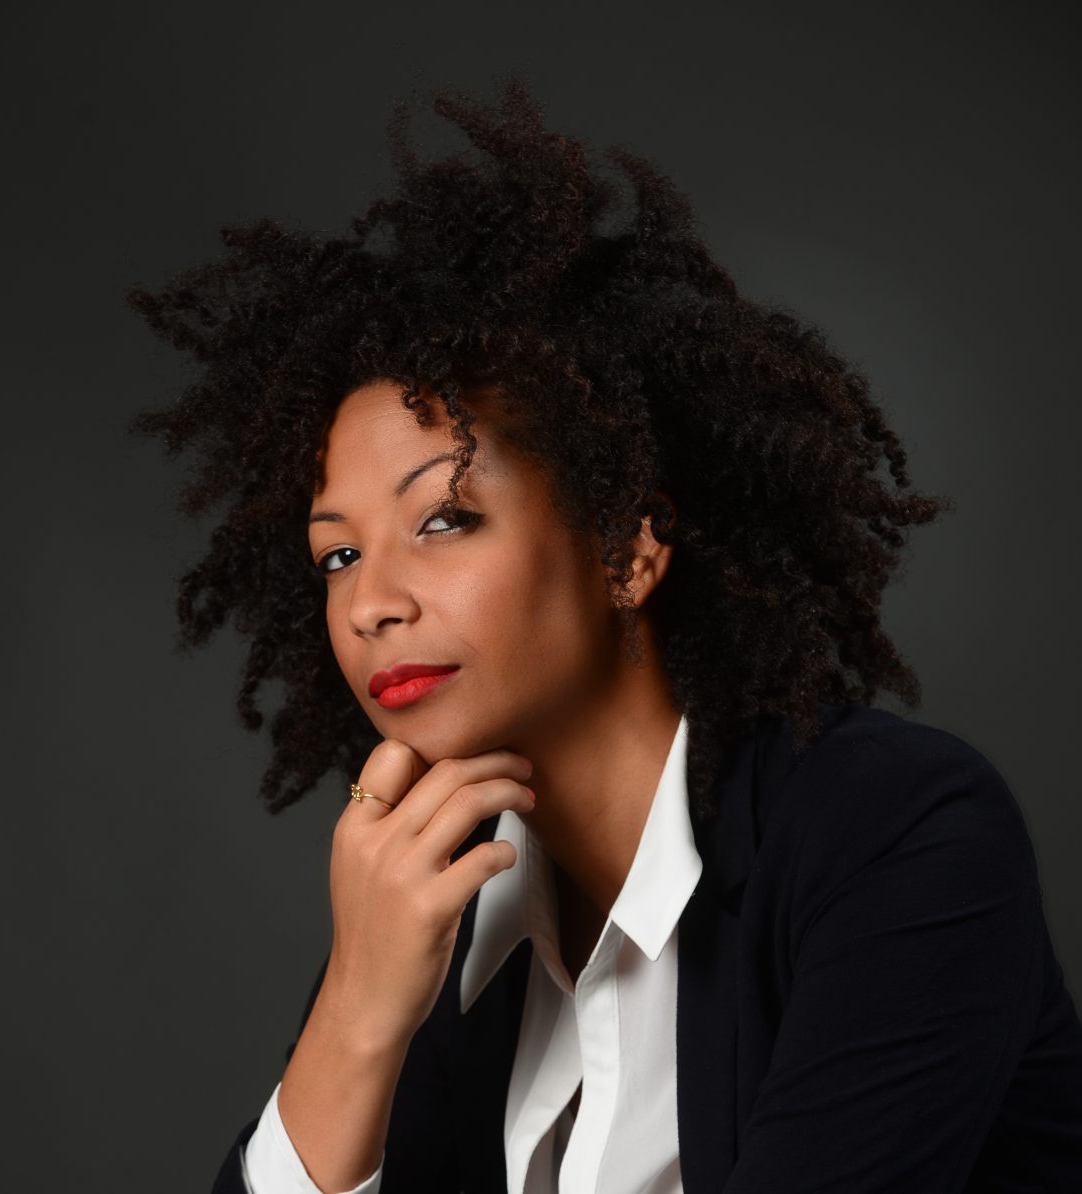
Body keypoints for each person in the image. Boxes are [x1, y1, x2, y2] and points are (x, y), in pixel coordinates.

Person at [127, 78, 1082, 1193]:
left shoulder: (893, 837)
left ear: (628, 548)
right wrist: (356, 1006)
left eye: (444, 519)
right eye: (336, 554)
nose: (368, 602)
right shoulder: (432, 926)